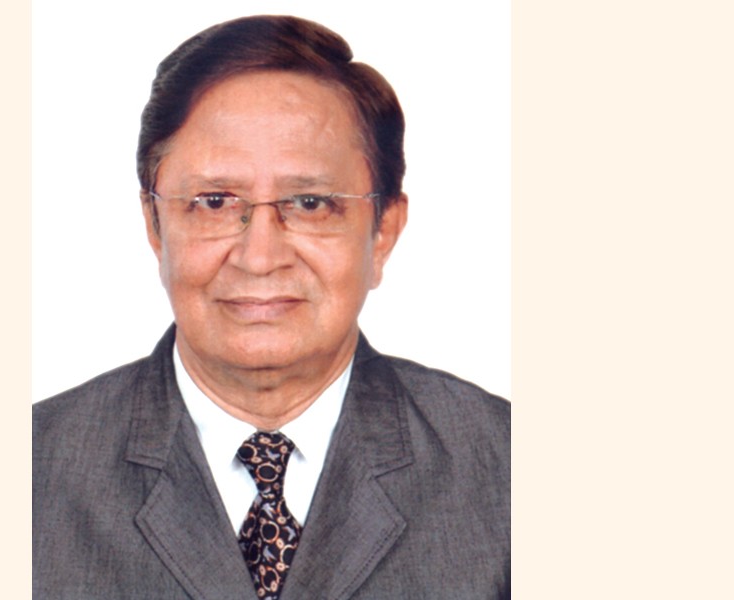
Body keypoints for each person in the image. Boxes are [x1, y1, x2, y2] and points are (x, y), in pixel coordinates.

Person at [33, 14, 509, 600]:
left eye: (310, 203)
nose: (260, 258)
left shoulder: (509, 471)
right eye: (214, 202)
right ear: (154, 225)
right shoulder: (31, 473)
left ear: (383, 232)